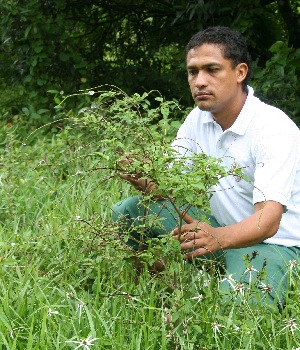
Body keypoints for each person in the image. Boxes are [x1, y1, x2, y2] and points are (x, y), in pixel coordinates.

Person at [112, 26, 300, 305]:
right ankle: (158, 295)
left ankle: (237, 284)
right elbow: (166, 188)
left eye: (212, 70)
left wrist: (217, 237)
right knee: (130, 212)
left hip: (276, 245)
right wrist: (138, 176)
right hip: (220, 233)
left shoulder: (272, 128)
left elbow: (267, 221)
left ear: (240, 72)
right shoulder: (199, 119)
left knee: (236, 315)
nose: (200, 81)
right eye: (193, 71)